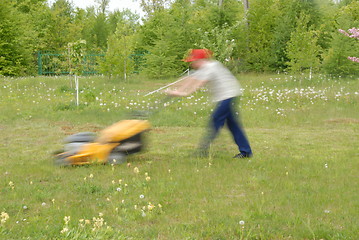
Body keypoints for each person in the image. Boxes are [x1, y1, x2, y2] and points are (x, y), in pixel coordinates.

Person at [166, 49, 252, 158]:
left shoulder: (210, 68)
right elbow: (190, 79)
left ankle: (202, 151)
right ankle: (246, 152)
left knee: (216, 121)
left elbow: (196, 85)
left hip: (227, 96)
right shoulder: (206, 67)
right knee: (233, 125)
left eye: (193, 61)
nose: (192, 64)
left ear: (201, 60)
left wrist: (179, 93)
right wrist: (177, 89)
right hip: (228, 95)